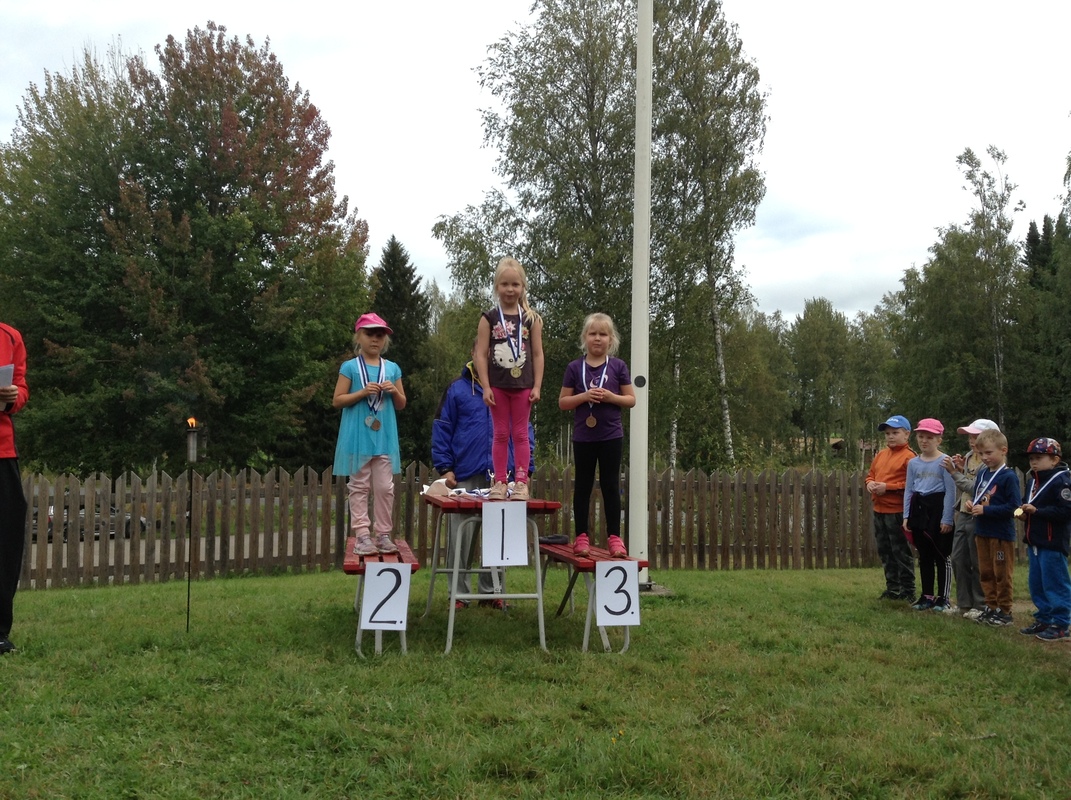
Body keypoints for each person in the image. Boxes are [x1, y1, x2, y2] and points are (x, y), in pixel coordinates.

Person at [432, 348, 535, 609]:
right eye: (482, 351)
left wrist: (526, 470)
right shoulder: (457, 389)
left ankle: (492, 591)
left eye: (492, 352)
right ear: (473, 353)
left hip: (503, 477)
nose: (487, 357)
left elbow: (525, 431)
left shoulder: (511, 388)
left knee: (498, 536)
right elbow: (442, 427)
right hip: (465, 473)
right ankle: (459, 594)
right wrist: (445, 467)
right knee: (461, 537)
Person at [558, 313, 635, 558]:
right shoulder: (574, 367)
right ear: (585, 337)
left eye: (603, 334)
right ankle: (581, 537)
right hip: (584, 437)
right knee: (583, 486)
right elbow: (563, 402)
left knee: (611, 485)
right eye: (593, 334)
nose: (598, 338)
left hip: (611, 435)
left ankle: (615, 538)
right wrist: (584, 397)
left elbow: (631, 399)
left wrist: (611, 397)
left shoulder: (618, 366)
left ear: (611, 339)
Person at [333, 313, 406, 556]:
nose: (375, 339)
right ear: (358, 337)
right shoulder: (350, 367)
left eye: (380, 335)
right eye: (369, 334)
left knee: (385, 488)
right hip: (357, 438)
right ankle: (362, 535)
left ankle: (383, 534)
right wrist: (362, 393)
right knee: (359, 486)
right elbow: (337, 400)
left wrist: (394, 392)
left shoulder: (392, 368)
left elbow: (401, 404)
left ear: (385, 339)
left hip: (384, 438)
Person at [474, 257, 544, 502]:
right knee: (501, 433)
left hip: (523, 385)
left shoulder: (531, 319)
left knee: (521, 434)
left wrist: (537, 385)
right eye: (505, 284)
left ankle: (521, 482)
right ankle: (500, 481)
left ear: (523, 287)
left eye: (515, 284)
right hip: (498, 386)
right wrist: (485, 386)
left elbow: (538, 354)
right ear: (496, 287)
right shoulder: (489, 318)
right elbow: (480, 354)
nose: (510, 289)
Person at [941, 419, 999, 619]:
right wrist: (960, 468)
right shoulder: (968, 457)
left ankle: (980, 604)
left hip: (979, 514)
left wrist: (953, 473)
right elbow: (968, 480)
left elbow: (977, 488)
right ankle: (963, 603)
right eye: (970, 437)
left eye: (976, 436)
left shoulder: (989, 462)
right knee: (958, 558)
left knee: (978, 560)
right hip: (963, 513)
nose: (971, 440)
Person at [1016, 438, 1071, 642]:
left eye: (1039, 458)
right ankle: (1045, 618)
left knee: (1055, 583)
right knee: (1037, 583)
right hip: (1034, 540)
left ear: (1055, 460)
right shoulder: (1033, 481)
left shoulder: (1062, 481)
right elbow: (1027, 503)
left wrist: (1037, 511)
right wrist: (1022, 513)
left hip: (1052, 542)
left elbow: (1065, 512)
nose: (1033, 462)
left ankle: (1062, 624)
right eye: (1031, 458)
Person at [967, 428, 1022, 627]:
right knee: (986, 572)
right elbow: (981, 498)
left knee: (1001, 573)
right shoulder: (982, 473)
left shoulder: (1008, 477)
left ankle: (1005, 610)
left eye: (989, 453)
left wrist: (986, 511)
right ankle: (991, 606)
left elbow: (1015, 508)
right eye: (981, 453)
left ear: (1003, 450)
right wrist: (972, 504)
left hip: (1000, 535)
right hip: (982, 531)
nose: (984, 457)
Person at [902, 419, 957, 612]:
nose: (924, 441)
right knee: (924, 555)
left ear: (939, 440)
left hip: (938, 508)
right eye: (921, 436)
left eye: (930, 437)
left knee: (941, 554)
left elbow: (951, 492)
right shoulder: (913, 463)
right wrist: (906, 516)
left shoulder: (945, 462)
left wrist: (947, 518)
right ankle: (926, 595)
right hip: (919, 509)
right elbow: (909, 490)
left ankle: (943, 597)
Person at [866, 415, 916, 601]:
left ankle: (908, 590)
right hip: (879, 510)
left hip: (897, 512)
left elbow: (913, 485)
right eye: (887, 434)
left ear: (906, 434)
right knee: (885, 551)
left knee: (900, 551)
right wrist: (870, 483)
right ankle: (892, 588)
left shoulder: (910, 457)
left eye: (895, 433)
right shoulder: (881, 455)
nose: (890, 437)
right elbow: (870, 475)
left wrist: (888, 487)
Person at [0, 322, 28, 655]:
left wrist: (12, 397)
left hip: (2, 451)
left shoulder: (10, 336)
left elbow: (21, 387)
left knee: (6, 541)